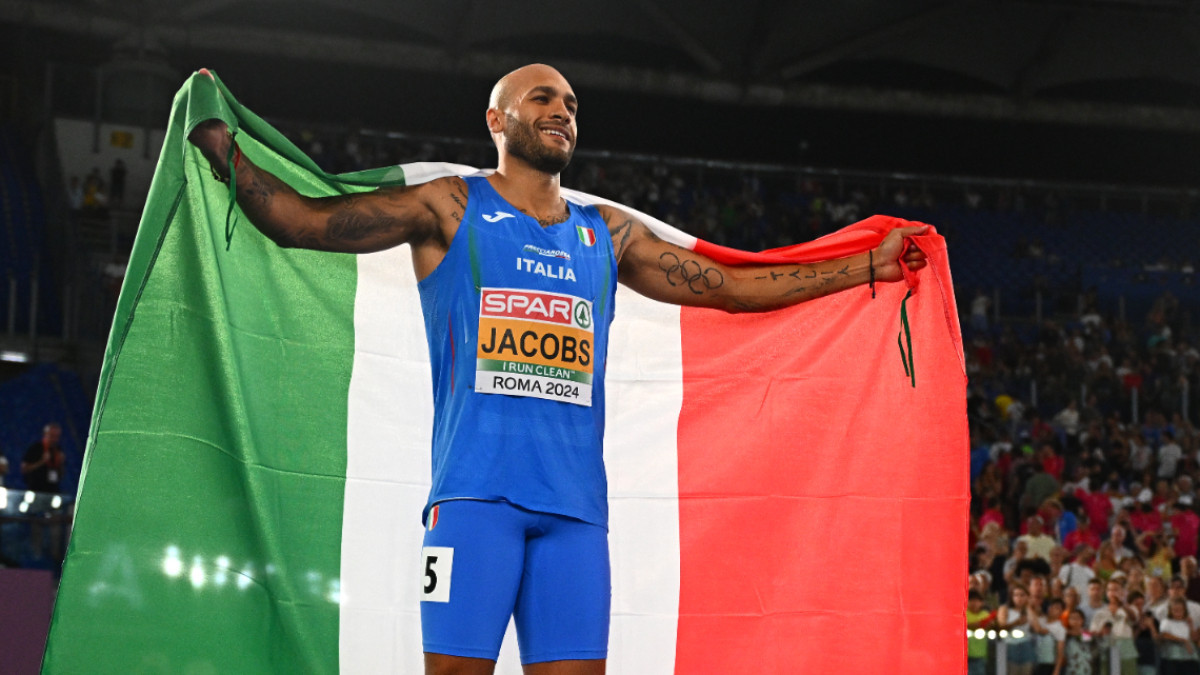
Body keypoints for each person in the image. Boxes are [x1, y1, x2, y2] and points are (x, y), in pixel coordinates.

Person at [187, 64, 930, 675]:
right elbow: (302, 221)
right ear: (496, 120)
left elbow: (732, 287)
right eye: (541, 97)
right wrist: (225, 147)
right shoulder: (450, 209)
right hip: (475, 505)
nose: (561, 111)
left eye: (571, 104)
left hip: (575, 518)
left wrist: (868, 264)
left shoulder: (605, 234)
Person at [999, 583, 1038, 675]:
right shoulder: (1005, 609)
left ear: (1027, 596)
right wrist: (1016, 622)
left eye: (1022, 595)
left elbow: (1037, 627)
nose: (1019, 598)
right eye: (1016, 595)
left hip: (1026, 645)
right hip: (1010, 645)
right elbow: (1001, 626)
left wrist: (1028, 607)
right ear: (1011, 597)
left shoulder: (1030, 610)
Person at [1158, 597, 1199, 675]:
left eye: (1180, 610)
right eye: (1175, 610)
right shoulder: (1166, 622)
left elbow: (1194, 639)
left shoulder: (1187, 622)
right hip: (1173, 659)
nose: (1178, 613)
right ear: (1170, 610)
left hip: (1190, 659)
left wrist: (1191, 626)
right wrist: (1182, 640)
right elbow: (1164, 635)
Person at [21, 423, 65, 493]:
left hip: (53, 490)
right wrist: (41, 462)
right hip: (36, 490)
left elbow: (61, 474)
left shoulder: (58, 450)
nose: (54, 439)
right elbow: (24, 469)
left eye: (57, 437)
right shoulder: (36, 448)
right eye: (52, 436)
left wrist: (61, 463)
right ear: (45, 434)